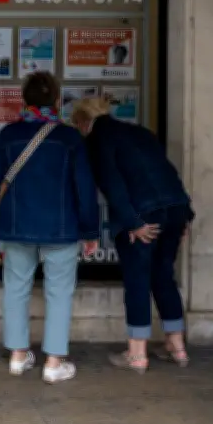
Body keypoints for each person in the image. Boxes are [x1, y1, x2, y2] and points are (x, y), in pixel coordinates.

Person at [0, 72, 100, 384]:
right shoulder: (69, 138)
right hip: (61, 230)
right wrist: (90, 232)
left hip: (16, 227)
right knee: (59, 293)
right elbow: (84, 188)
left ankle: (18, 356)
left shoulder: (9, 135)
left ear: (25, 99)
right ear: (57, 101)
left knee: (16, 289)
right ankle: (54, 362)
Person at [71, 97, 194, 372]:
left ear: (83, 121)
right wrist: (184, 215)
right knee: (163, 274)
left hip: (143, 215)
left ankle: (137, 353)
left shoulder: (98, 140)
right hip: (175, 208)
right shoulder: (141, 132)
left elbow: (112, 184)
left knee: (137, 278)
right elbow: (169, 172)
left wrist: (132, 222)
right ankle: (177, 345)